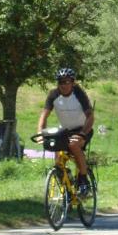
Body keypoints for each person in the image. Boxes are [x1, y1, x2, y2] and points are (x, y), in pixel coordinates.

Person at [38, 67, 94, 195]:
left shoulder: (79, 93)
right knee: (57, 156)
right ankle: (67, 185)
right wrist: (41, 133)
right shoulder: (53, 95)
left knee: (74, 145)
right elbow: (44, 116)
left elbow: (90, 116)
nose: (63, 85)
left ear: (72, 82)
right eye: (60, 82)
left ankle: (84, 180)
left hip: (83, 129)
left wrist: (82, 134)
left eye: (66, 82)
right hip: (66, 130)